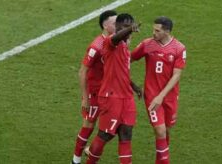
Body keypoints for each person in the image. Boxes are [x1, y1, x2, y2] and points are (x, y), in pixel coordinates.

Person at [86, 13, 141, 164]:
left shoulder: (124, 48)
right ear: (117, 27)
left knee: (126, 134)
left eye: (131, 26)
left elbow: (122, 73)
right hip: (111, 97)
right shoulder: (110, 43)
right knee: (105, 135)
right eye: (125, 26)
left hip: (127, 98)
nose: (129, 30)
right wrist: (129, 29)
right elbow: (116, 38)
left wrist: (134, 86)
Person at [131, 16, 187, 164]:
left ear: (167, 31)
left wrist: (161, 96)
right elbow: (127, 60)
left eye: (157, 30)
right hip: (152, 96)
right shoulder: (147, 45)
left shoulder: (179, 48)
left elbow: (177, 75)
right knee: (160, 131)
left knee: (166, 131)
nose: (153, 33)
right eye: (153, 29)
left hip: (169, 97)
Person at [71, 10, 117, 164]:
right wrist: (85, 98)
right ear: (105, 25)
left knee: (117, 126)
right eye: (114, 22)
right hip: (96, 93)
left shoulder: (115, 42)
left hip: (110, 93)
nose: (117, 25)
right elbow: (82, 72)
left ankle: (91, 148)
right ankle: (75, 160)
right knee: (89, 125)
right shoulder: (96, 46)